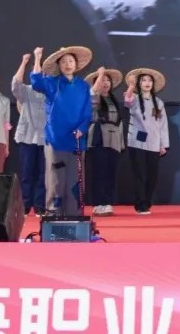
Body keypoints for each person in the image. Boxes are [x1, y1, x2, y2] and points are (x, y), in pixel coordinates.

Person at [30, 45, 93, 216]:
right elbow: (36, 82)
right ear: (59, 65)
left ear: (76, 64)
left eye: (71, 61)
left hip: (77, 140)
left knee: (75, 181)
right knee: (55, 180)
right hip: (55, 139)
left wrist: (82, 128)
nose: (67, 64)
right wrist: (37, 57)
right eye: (63, 61)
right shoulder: (52, 82)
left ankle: (75, 215)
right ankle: (54, 215)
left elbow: (87, 112)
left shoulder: (83, 86)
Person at [124, 68, 170, 215]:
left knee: (152, 176)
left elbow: (162, 124)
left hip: (154, 143)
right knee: (140, 175)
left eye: (150, 80)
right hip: (137, 142)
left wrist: (163, 144)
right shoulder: (134, 98)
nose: (147, 83)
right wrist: (131, 86)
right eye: (144, 80)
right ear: (139, 83)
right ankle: (141, 204)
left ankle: (147, 202)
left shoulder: (159, 103)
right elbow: (127, 101)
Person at [86, 66, 125, 217]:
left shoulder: (113, 100)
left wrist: (121, 143)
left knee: (110, 173)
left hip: (114, 139)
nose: (105, 83)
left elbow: (119, 122)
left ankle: (108, 202)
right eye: (102, 80)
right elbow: (92, 97)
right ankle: (98, 204)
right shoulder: (94, 98)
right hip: (99, 138)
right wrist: (100, 73)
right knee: (99, 172)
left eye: (107, 80)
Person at [11, 53, 47, 216]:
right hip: (27, 136)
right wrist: (24, 62)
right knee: (26, 173)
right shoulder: (26, 90)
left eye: (43, 73)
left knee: (43, 174)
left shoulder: (51, 91)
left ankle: (40, 205)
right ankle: (25, 205)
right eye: (36, 71)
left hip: (46, 138)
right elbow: (15, 84)